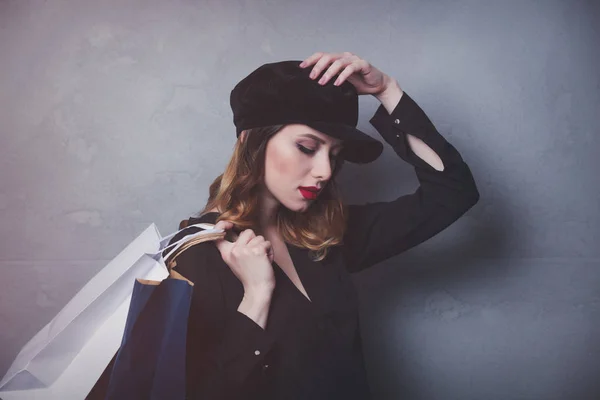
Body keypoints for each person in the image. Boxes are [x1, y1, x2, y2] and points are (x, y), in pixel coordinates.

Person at [165, 51, 480, 399]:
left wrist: (388, 91)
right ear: (251, 141)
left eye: (334, 154)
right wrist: (256, 296)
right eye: (307, 147)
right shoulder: (197, 255)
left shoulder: (328, 234)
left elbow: (452, 193)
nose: (325, 172)